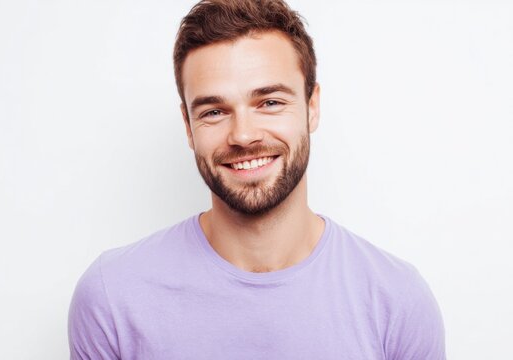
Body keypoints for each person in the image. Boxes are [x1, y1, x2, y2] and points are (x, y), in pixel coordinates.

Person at [68, 0, 446, 359]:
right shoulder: (112, 298)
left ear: (312, 107)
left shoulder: (397, 302)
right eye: (214, 111)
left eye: (270, 102)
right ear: (188, 125)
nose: (244, 136)